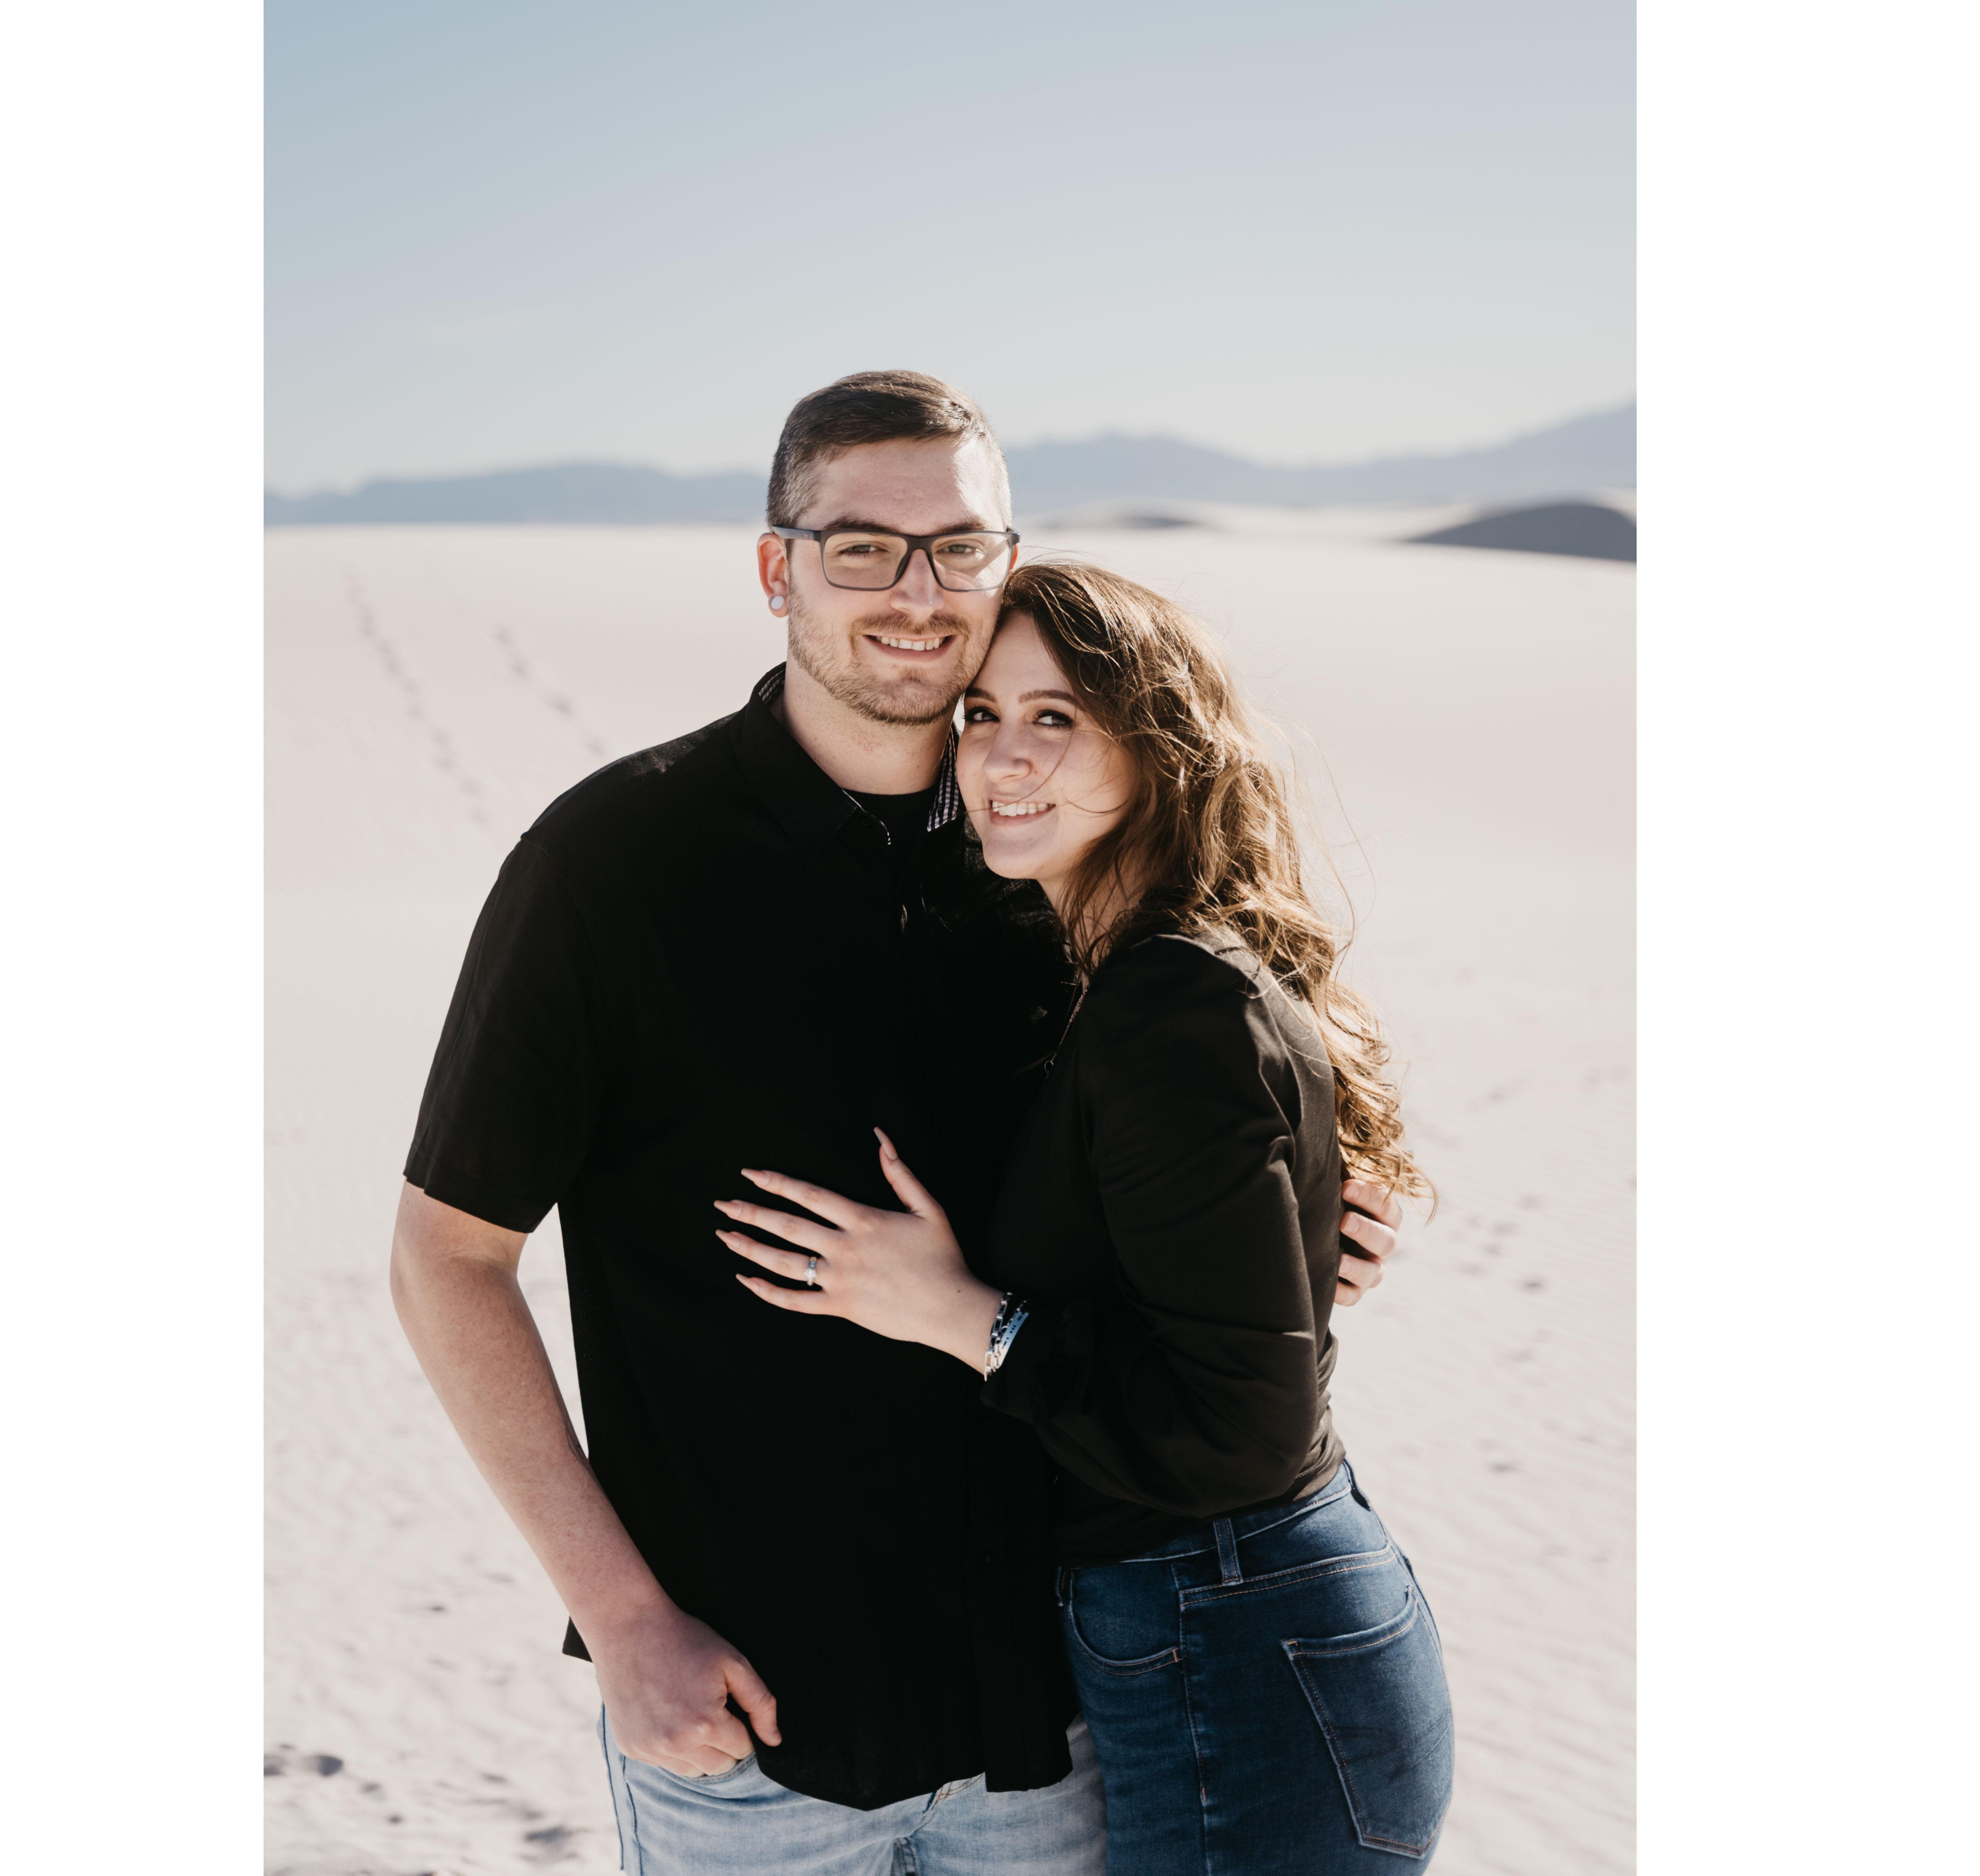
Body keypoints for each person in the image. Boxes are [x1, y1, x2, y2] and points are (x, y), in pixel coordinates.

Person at [389, 372, 1403, 1875]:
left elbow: (1188, 1144)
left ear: (1008, 562)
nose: (917, 593)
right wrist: (620, 1616)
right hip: (747, 1722)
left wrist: (1298, 1220)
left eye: (959, 547)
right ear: (775, 568)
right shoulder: (613, 866)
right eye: (861, 546)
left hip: (1061, 1712)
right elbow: (446, 1258)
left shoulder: (1051, 848)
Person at [718, 558, 1452, 1873]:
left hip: (1242, 1640)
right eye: (981, 714)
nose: (1002, 755)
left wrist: (969, 1320)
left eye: (1054, 716)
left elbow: (1241, 1432)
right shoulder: (1121, 975)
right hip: (1233, 1630)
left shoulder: (1169, 1004)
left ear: (1159, 746)